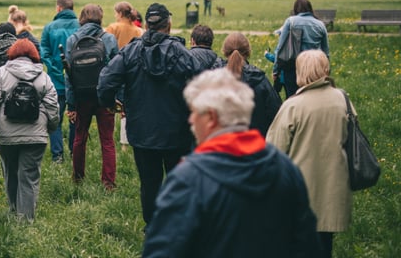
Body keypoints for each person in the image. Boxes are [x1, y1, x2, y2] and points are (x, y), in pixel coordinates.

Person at [142, 69, 320, 257]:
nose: (190, 119)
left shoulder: (188, 180)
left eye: (194, 112)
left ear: (211, 117)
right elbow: (308, 246)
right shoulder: (286, 169)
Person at [97, 3, 200, 227]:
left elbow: (105, 82)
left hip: (142, 130)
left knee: (149, 182)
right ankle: (175, 226)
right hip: (177, 130)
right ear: (169, 25)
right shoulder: (183, 54)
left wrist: (112, 103)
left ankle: (152, 227)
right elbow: (202, 86)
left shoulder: (130, 52)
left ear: (145, 25)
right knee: (178, 180)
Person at [267, 50, 352, 258]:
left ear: (300, 71)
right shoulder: (342, 99)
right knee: (324, 246)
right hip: (333, 185)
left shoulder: (293, 105)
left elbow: (273, 151)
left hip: (300, 190)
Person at [0, 39, 59, 221]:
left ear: (12, 54)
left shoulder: (2, 73)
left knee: (10, 171)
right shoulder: (43, 77)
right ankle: (25, 219)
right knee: (30, 176)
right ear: (34, 55)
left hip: (6, 135)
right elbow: (53, 107)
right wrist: (51, 127)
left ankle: (14, 209)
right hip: (35, 136)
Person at [65, 4, 119, 189]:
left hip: (82, 97)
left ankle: (78, 178)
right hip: (104, 97)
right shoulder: (109, 38)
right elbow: (115, 71)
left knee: (80, 137)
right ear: (100, 18)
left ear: (82, 18)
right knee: (107, 140)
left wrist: (71, 105)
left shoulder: (73, 39)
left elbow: (69, 75)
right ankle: (108, 182)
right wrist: (116, 97)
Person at [40, 0, 79, 164]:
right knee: (75, 118)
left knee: (54, 118)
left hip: (55, 81)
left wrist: (56, 70)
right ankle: (73, 151)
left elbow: (44, 53)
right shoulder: (81, 26)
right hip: (78, 81)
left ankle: (57, 155)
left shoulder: (49, 27)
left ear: (58, 8)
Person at [221, 32, 281, 136]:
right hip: (254, 143)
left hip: (220, 145)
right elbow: (276, 113)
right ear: (248, 51)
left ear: (224, 51)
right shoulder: (259, 80)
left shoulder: (213, 80)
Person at [103, 1, 142, 151]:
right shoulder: (139, 30)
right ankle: (129, 141)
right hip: (134, 73)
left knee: (115, 106)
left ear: (119, 14)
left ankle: (117, 141)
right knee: (129, 108)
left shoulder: (113, 28)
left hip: (117, 71)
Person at [273, 0, 330, 97]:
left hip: (293, 66)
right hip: (314, 68)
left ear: (295, 9)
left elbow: (280, 48)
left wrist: (276, 70)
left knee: (292, 97)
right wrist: (327, 71)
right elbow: (326, 52)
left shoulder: (291, 22)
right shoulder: (320, 24)